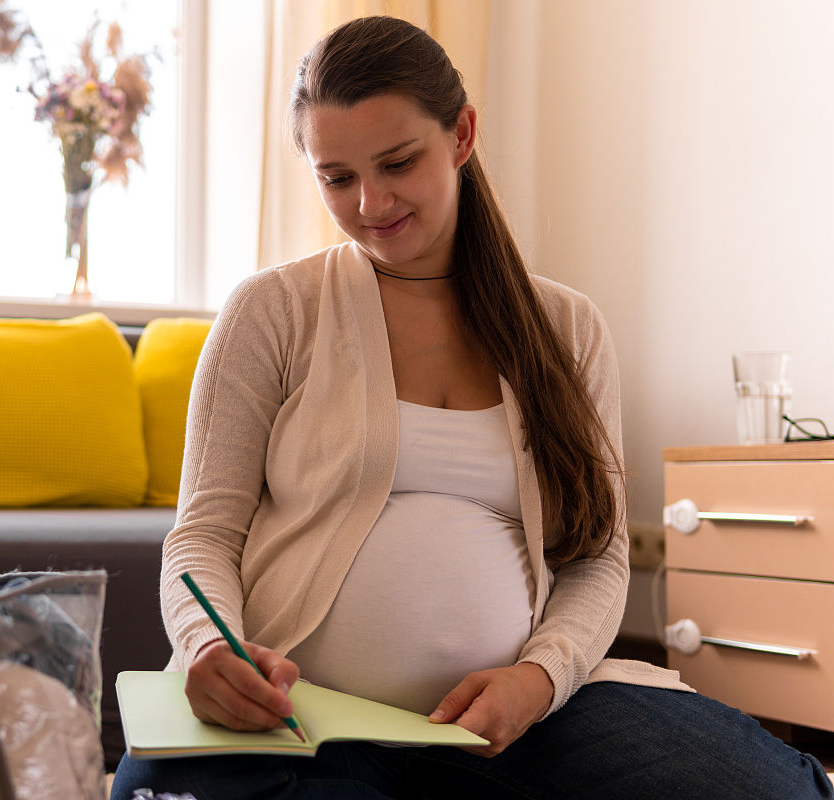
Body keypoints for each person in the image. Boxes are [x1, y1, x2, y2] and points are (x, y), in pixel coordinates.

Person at [111, 15, 833, 800]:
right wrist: (207, 648)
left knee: (776, 791)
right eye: (336, 177)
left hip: (525, 726)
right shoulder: (273, 310)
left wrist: (539, 677)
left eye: (397, 162)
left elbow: (598, 557)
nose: (369, 202)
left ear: (461, 136)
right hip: (303, 720)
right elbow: (203, 535)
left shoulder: (568, 328)